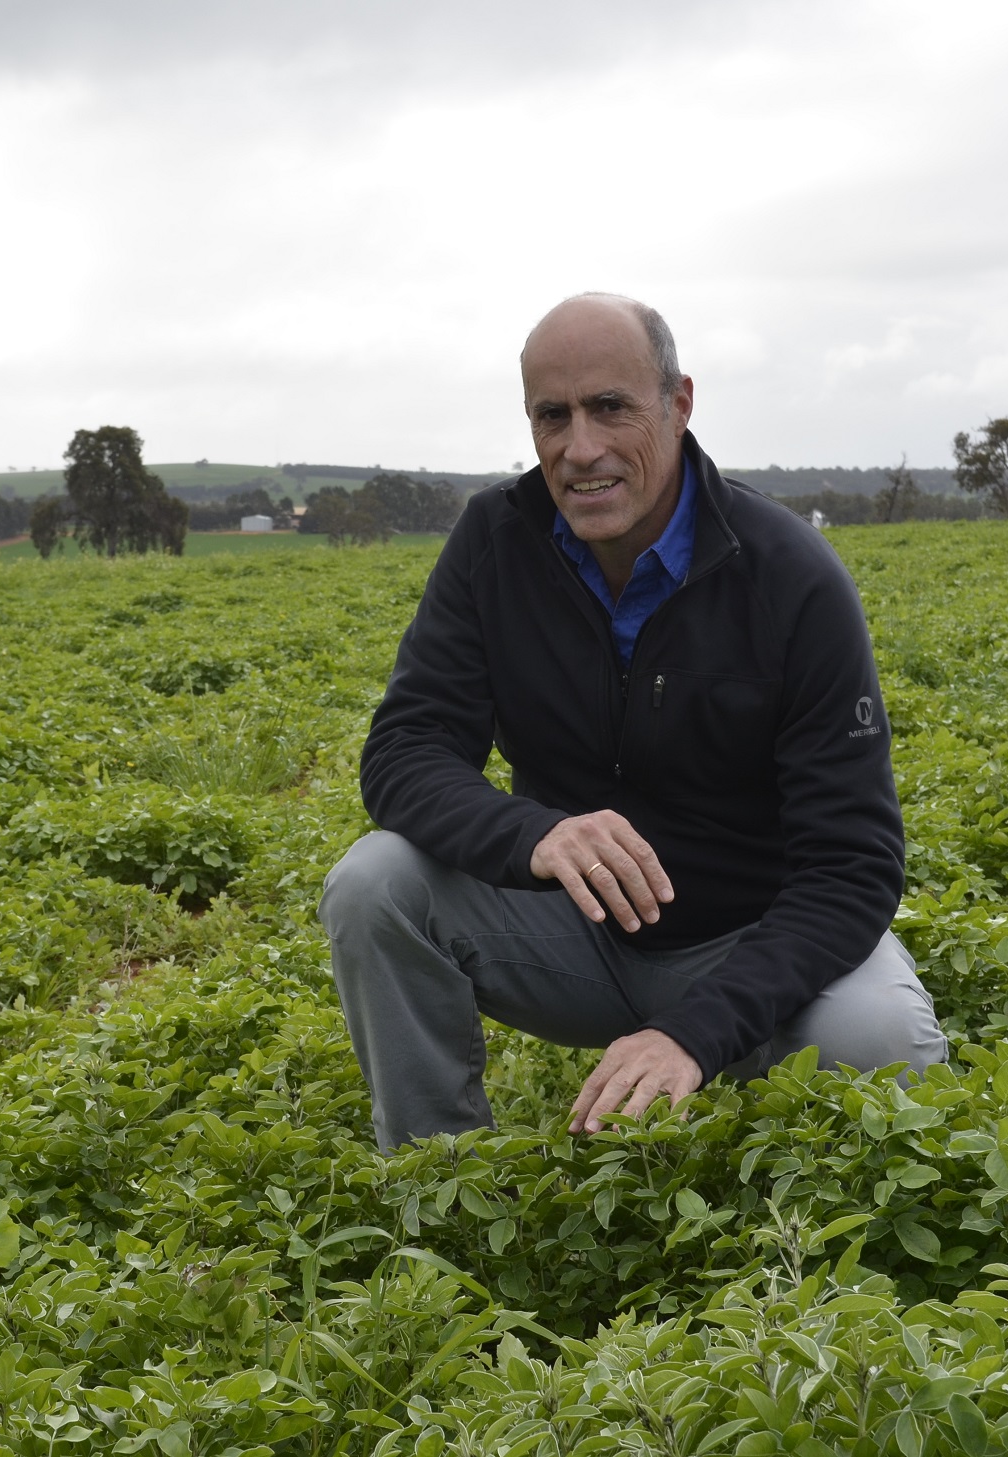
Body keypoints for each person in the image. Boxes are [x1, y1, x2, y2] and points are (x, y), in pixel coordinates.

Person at [319, 293, 947, 1151]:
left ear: (679, 404)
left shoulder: (789, 576)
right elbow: (403, 750)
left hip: (750, 942)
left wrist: (697, 1029)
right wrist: (534, 834)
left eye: (611, 408)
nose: (581, 449)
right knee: (374, 883)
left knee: (887, 1048)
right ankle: (438, 1178)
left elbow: (853, 866)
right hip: (575, 936)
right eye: (553, 416)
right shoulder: (495, 544)